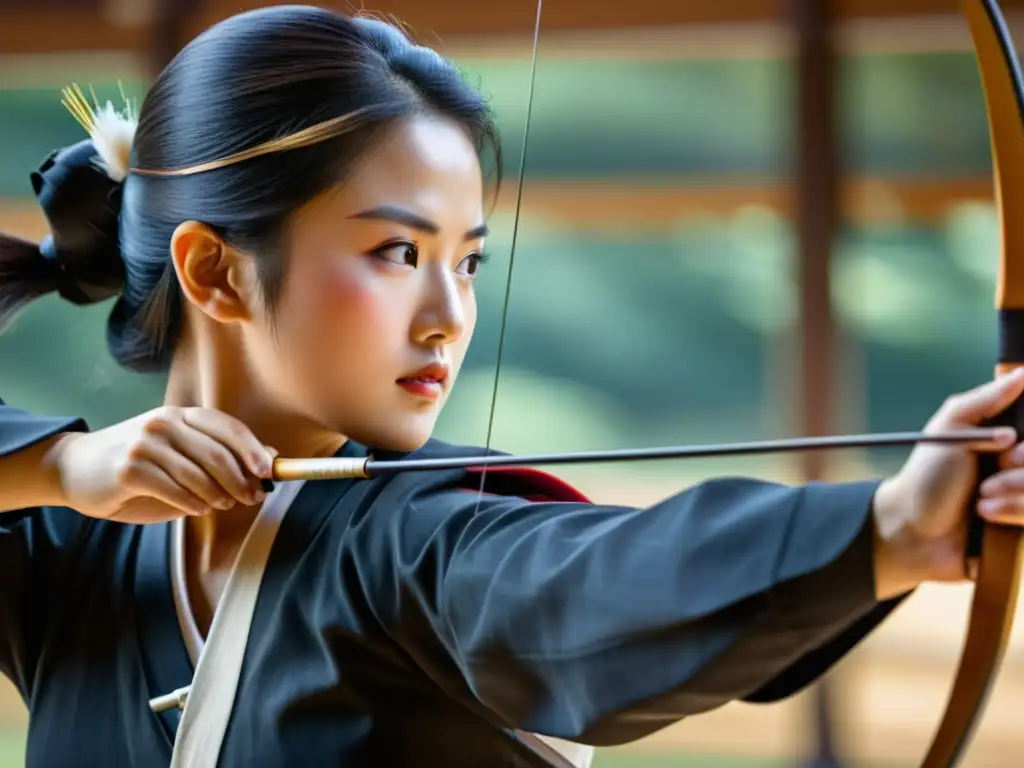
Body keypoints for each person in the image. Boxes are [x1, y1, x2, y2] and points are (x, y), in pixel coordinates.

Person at [1, 6, 1023, 767]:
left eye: (469, 261)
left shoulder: (420, 540)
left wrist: (893, 529)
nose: (449, 313)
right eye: (398, 251)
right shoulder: (65, 550)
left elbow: (593, 581)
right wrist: (56, 466)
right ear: (216, 270)